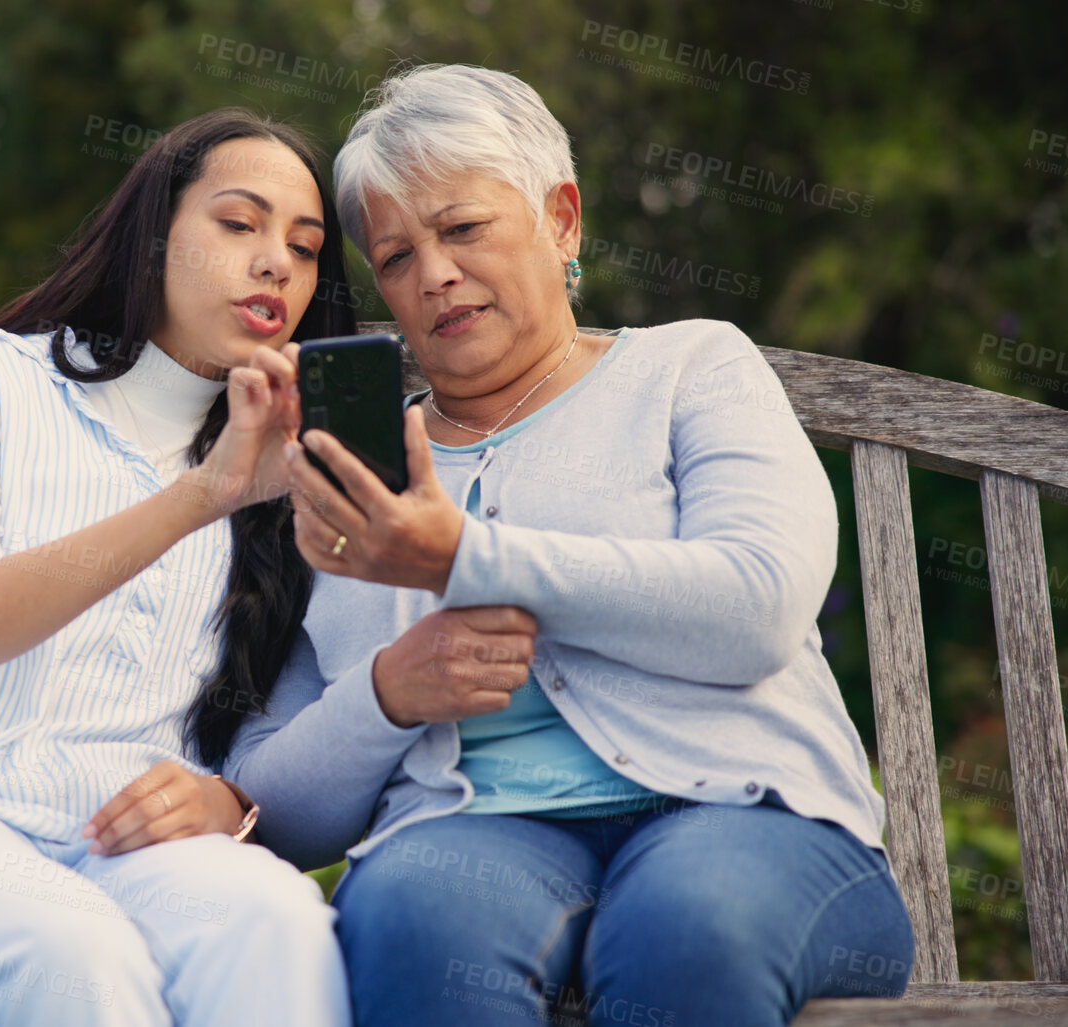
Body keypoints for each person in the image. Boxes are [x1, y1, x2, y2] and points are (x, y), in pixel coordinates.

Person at [223, 64, 916, 1027]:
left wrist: (456, 557)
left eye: (462, 229)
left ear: (560, 219)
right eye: (394, 256)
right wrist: (385, 695)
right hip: (474, 833)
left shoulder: (691, 367)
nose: (432, 275)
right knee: (407, 925)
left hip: (742, 817)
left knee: (684, 927)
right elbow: (270, 813)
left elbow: (757, 604)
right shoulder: (346, 471)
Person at [0, 108, 355, 1026]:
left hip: (126, 851)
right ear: (153, 236)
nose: (275, 261)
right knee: (75, 956)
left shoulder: (287, 462)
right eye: (238, 224)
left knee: (278, 920)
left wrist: (228, 796)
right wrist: (204, 494)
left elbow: (284, 711)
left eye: (305, 243)